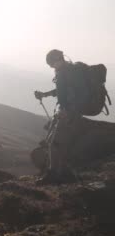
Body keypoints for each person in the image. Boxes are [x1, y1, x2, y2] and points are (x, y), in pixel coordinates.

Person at [34, 49, 86, 184]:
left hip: (68, 113)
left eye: (51, 63)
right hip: (65, 111)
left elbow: (75, 94)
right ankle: (62, 173)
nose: (51, 66)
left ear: (58, 59)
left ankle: (54, 175)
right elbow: (62, 90)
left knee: (55, 143)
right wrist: (45, 94)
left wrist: (68, 111)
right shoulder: (65, 71)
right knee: (54, 142)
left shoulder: (69, 72)